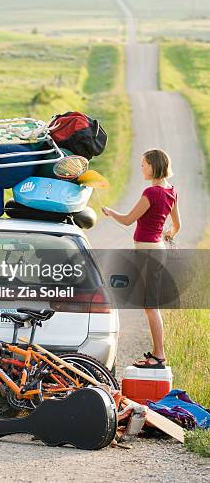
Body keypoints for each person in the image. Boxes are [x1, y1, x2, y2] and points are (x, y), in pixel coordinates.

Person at [102, 149, 181, 369]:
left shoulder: (152, 192)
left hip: (148, 252)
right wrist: (167, 236)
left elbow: (128, 220)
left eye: (144, 164)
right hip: (156, 249)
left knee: (151, 306)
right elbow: (177, 226)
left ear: (154, 166)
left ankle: (159, 355)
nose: (142, 168)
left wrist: (109, 212)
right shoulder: (171, 192)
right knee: (149, 304)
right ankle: (157, 353)